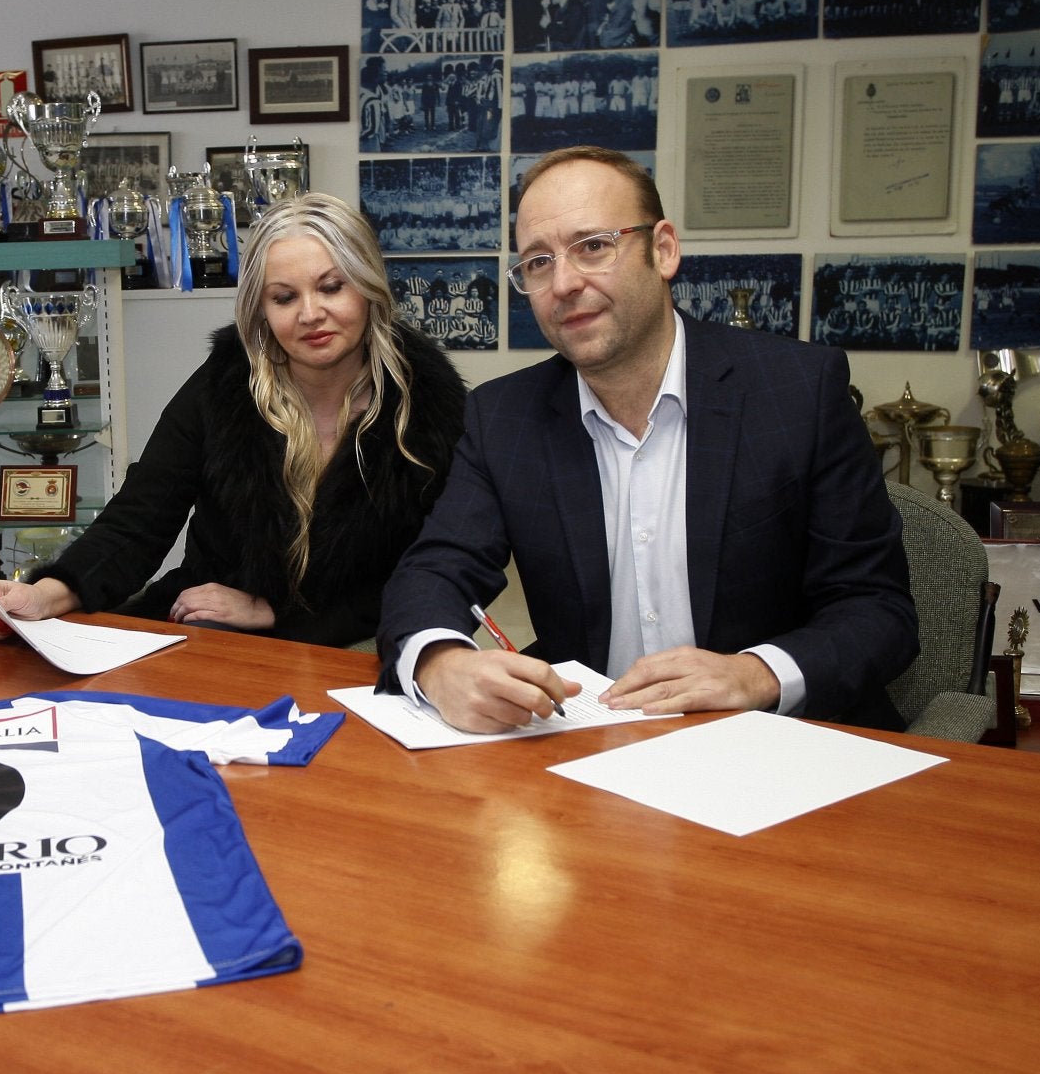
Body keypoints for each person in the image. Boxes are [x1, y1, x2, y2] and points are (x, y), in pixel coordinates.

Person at [376, 146, 917, 733]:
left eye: (592, 247)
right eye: (537, 262)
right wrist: (439, 661)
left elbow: (878, 611)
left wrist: (753, 675)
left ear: (662, 250)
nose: (563, 283)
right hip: (591, 749)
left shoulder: (796, 393)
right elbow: (434, 570)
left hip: (779, 747)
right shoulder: (504, 416)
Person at [0, 192, 467, 648]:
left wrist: (274, 611)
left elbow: (434, 569)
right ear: (261, 310)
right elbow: (142, 517)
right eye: (284, 297)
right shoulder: (226, 382)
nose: (311, 314)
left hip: (363, 636)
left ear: (368, 288)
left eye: (331, 287)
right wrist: (49, 594)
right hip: (210, 623)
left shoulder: (430, 405)